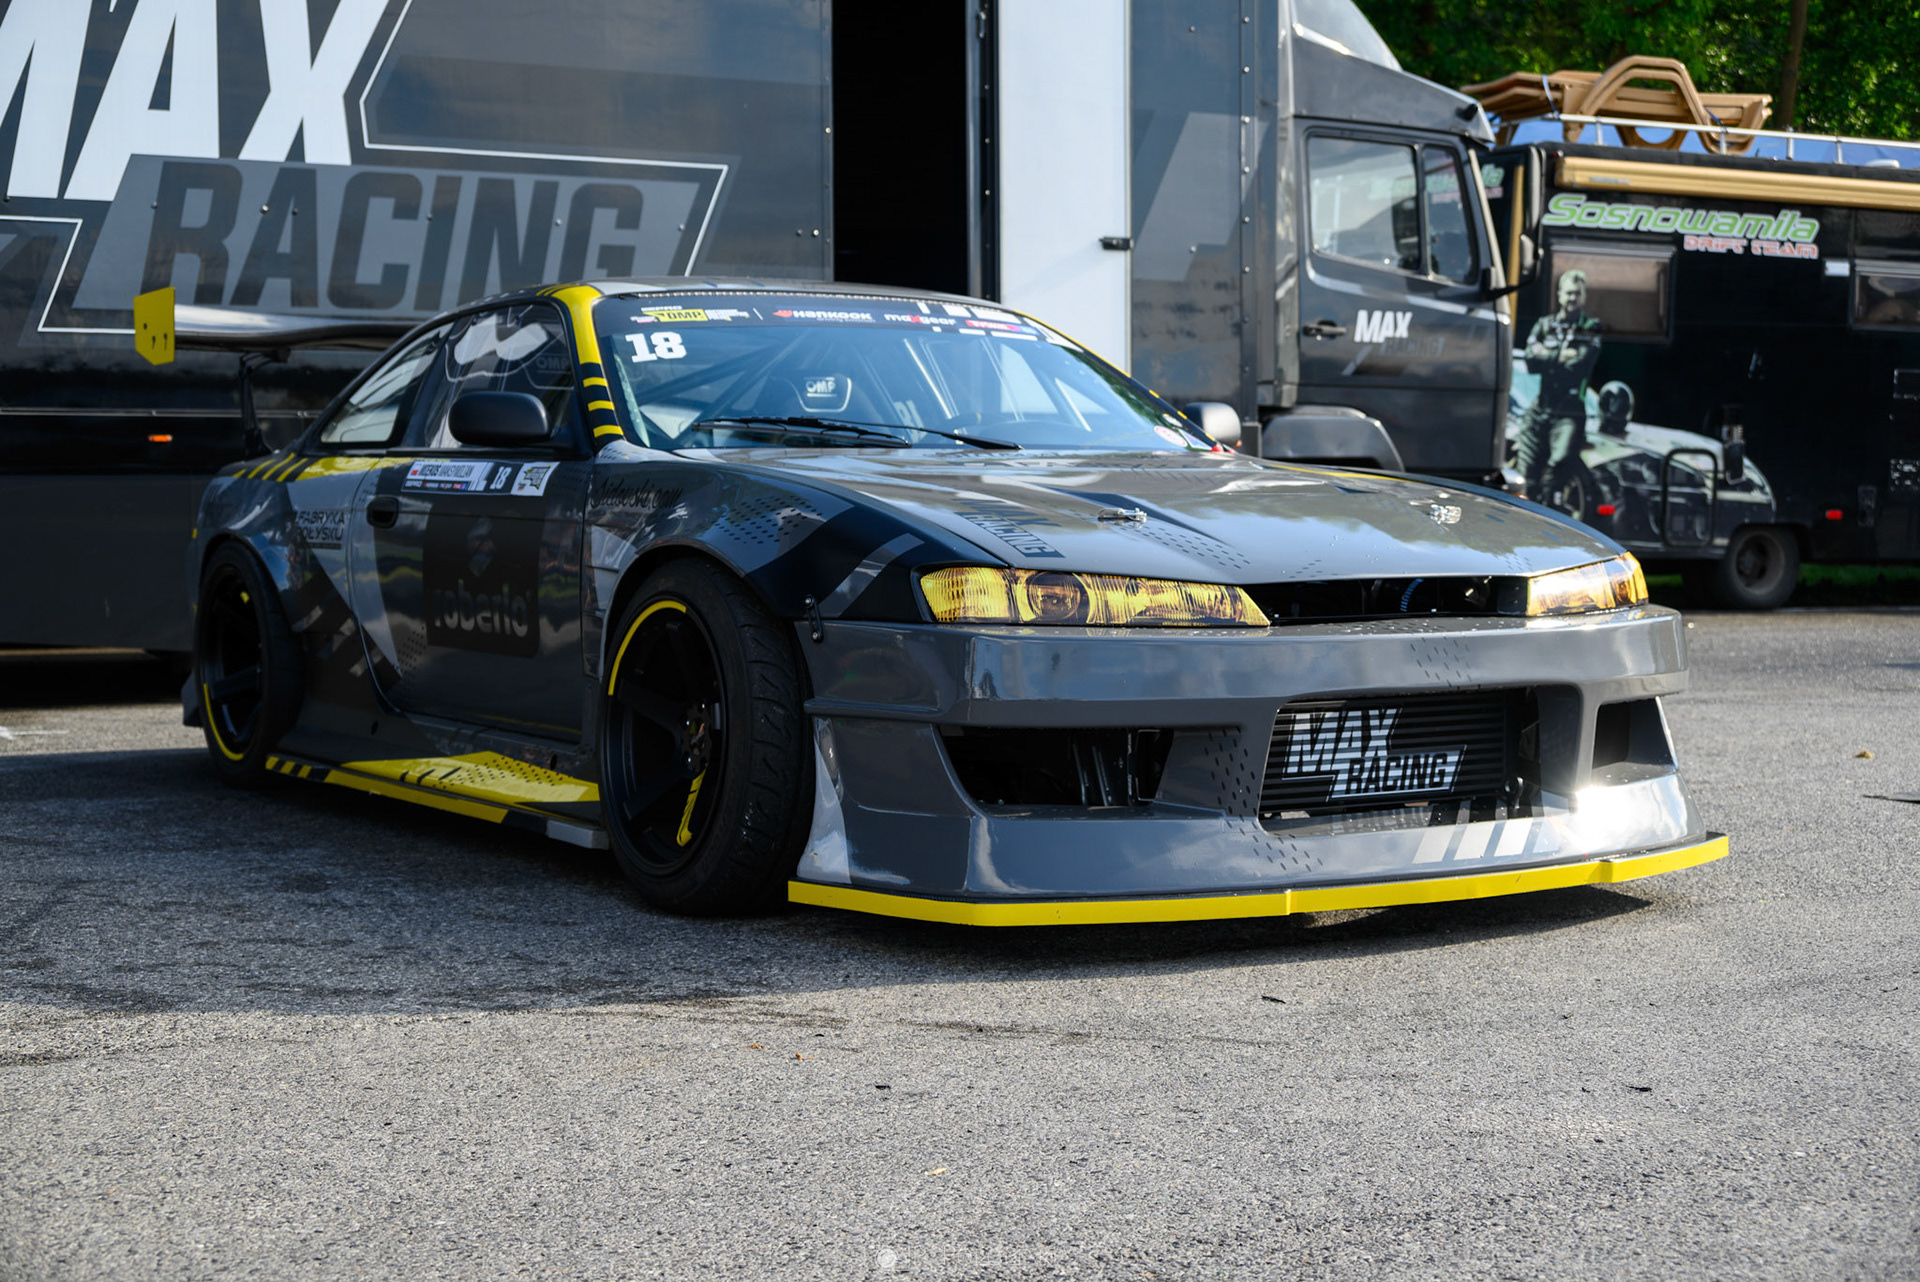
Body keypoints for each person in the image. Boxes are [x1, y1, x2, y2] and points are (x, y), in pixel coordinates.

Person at [1517, 269, 1602, 503]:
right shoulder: (1544, 325)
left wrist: (1545, 354)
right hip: (1540, 408)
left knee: (1555, 474)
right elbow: (1530, 360)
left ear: (1584, 297)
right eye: (1568, 293)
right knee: (1525, 478)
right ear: (1559, 295)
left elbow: (1579, 365)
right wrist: (1559, 356)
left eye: (1577, 293)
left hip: (1569, 413)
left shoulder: (1591, 326)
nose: (1572, 298)